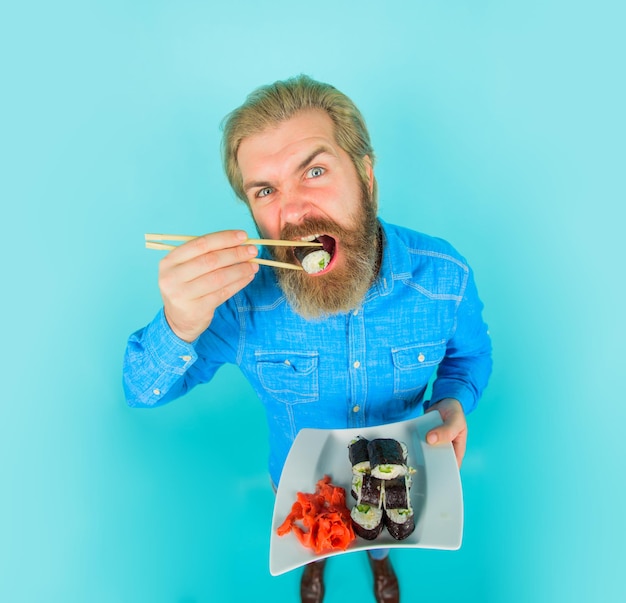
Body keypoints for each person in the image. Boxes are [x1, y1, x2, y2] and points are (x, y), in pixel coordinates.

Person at [123, 74, 492, 603]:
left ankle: (381, 564)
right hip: (297, 486)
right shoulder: (240, 303)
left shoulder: (445, 278)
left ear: (366, 175)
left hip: (397, 473)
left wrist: (455, 400)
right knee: (315, 542)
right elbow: (140, 390)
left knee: (379, 540)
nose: (293, 213)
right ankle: (314, 568)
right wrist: (179, 323)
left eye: (314, 171)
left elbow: (471, 356)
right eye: (266, 190)